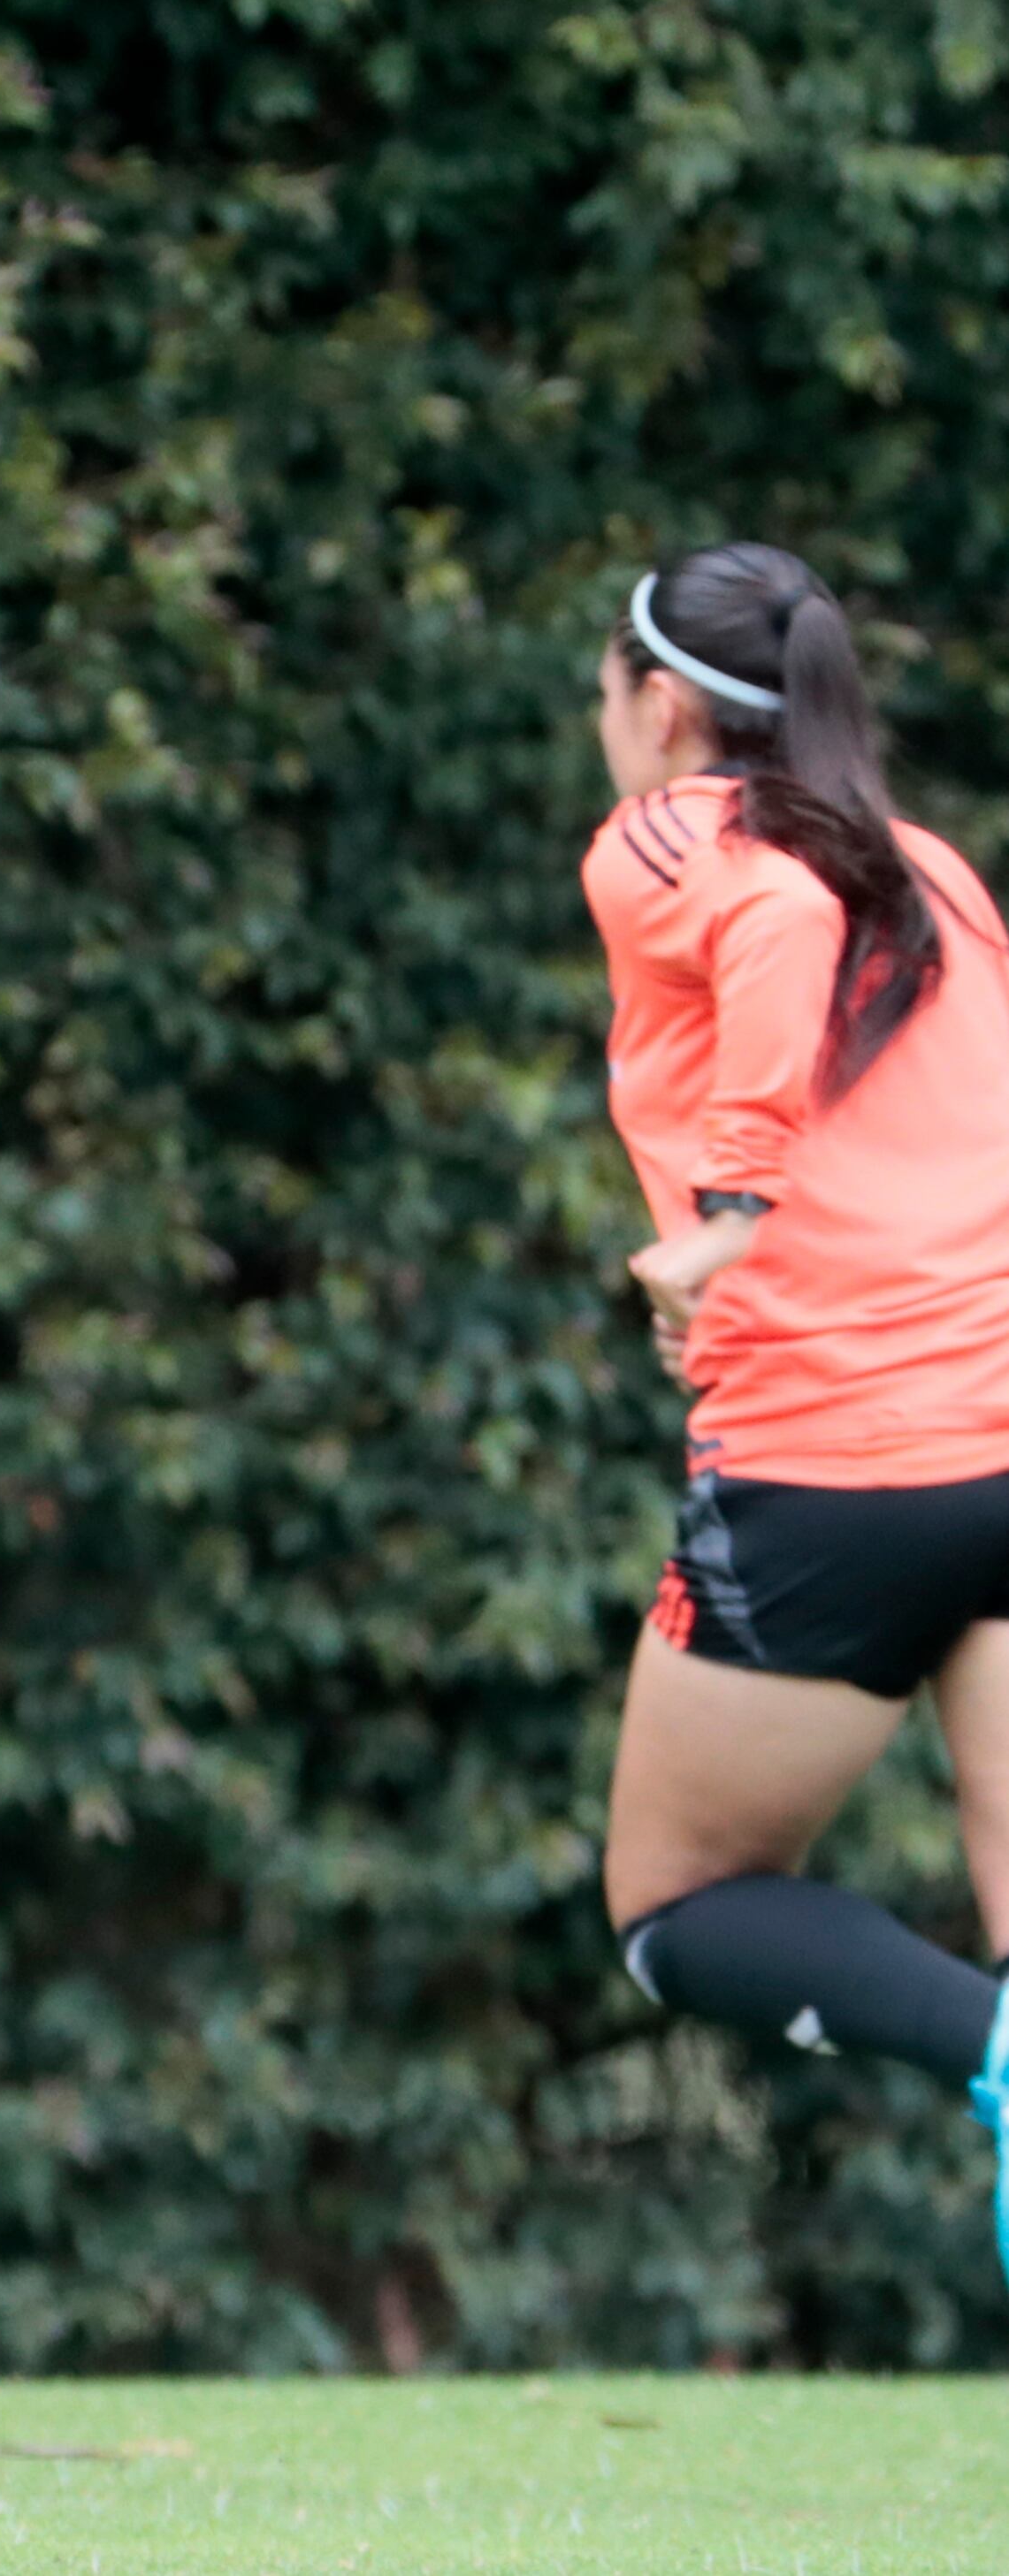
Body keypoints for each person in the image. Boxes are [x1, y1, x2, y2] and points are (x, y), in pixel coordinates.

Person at [584, 542, 1009, 2278]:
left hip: (833, 1467)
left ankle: (986, 2053)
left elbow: (770, 920)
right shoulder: (936, 871)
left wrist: (734, 1211)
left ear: (661, 704)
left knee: (675, 1906)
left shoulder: (678, 837)